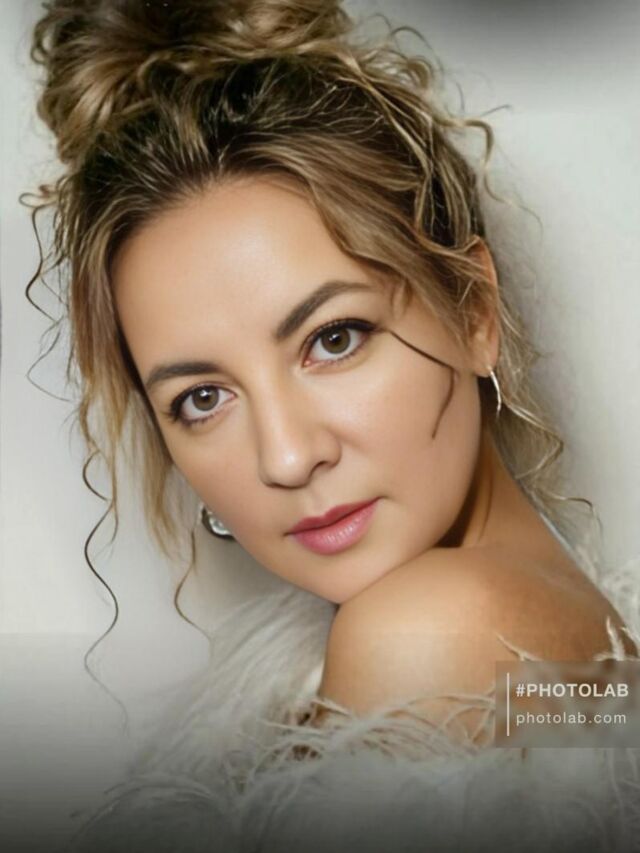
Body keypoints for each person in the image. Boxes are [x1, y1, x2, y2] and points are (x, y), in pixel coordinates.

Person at [25, 0, 639, 849]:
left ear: (474, 311)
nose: (285, 456)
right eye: (202, 397)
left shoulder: (430, 635)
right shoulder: (585, 669)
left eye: (334, 338)